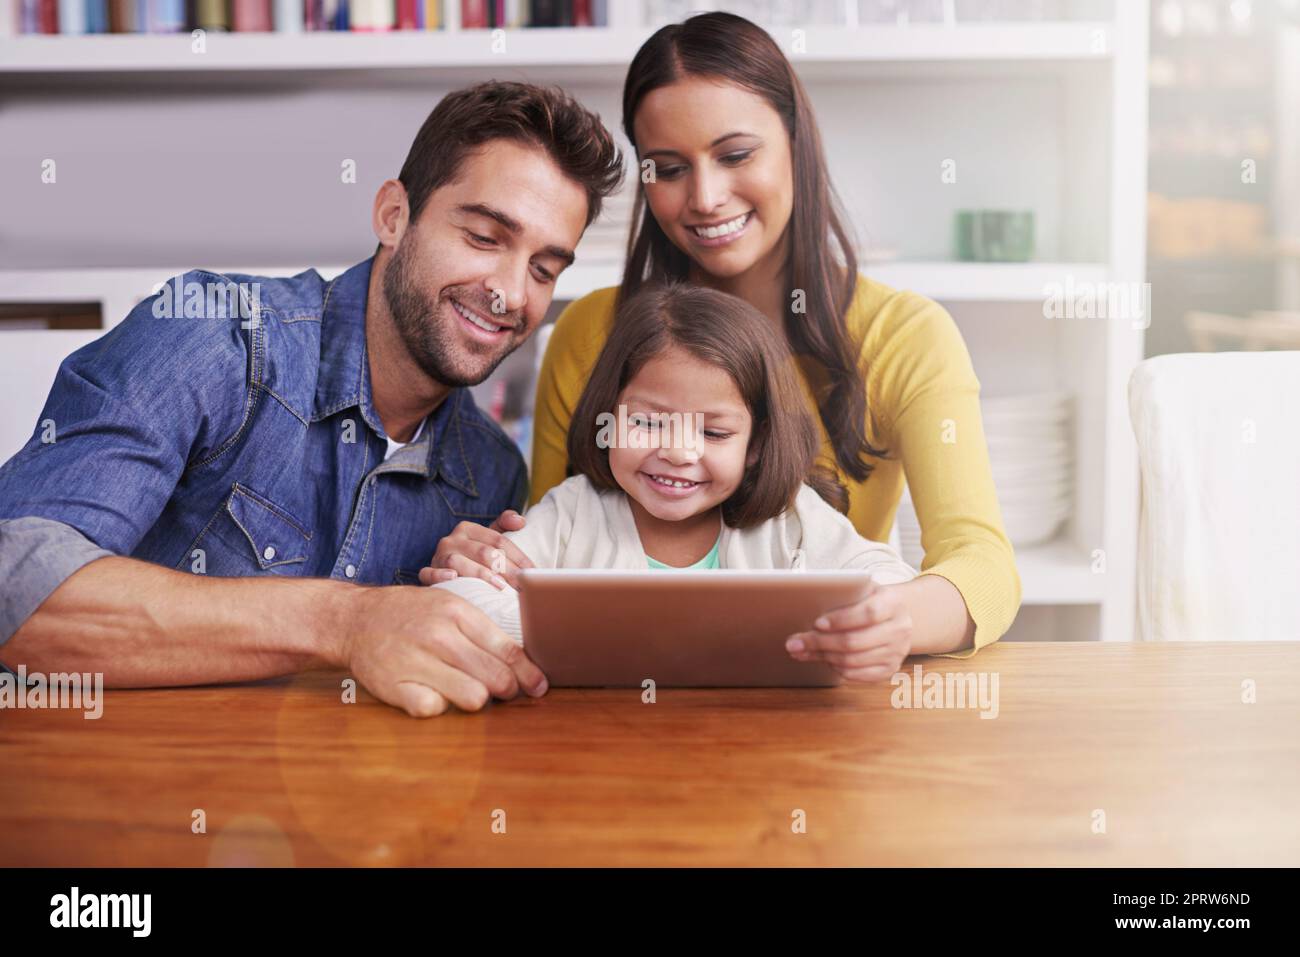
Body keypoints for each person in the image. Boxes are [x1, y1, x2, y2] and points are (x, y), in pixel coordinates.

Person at [0, 81, 623, 717]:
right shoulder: (215, 335)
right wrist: (346, 622)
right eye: (485, 237)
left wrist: (469, 602)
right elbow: (15, 586)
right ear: (393, 216)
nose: (511, 294)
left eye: (545, 269)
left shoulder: (489, 475)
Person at [429, 12, 1021, 661]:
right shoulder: (590, 332)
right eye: (669, 168)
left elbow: (983, 564)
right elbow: (552, 545)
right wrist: (486, 563)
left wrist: (892, 619)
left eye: (736, 155)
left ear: (796, 143)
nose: (705, 197)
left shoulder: (903, 336)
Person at [436, 283, 919, 681]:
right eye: (647, 423)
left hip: (763, 746)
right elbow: (461, 598)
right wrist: (583, 632)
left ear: (754, 446)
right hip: (596, 742)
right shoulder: (573, 510)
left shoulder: (790, 516)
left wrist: (872, 623)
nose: (678, 451)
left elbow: (888, 578)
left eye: (714, 432)